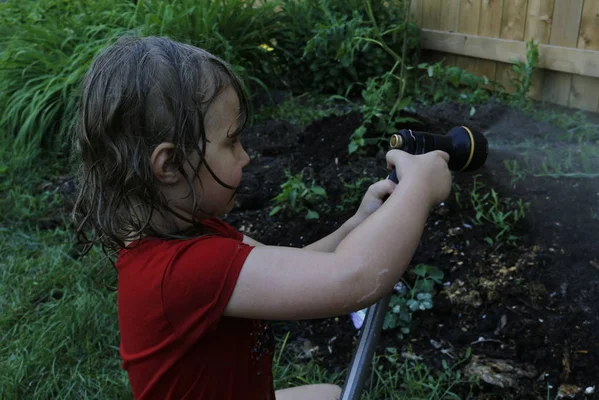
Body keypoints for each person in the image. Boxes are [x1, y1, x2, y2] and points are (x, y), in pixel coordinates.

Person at [72, 36, 451, 400]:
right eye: (232, 141)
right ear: (169, 165)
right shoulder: (186, 271)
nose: (246, 156)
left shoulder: (187, 234)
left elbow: (300, 265)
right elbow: (354, 279)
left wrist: (360, 220)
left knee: (330, 394)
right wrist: (419, 187)